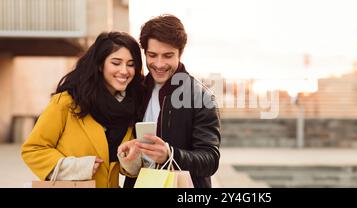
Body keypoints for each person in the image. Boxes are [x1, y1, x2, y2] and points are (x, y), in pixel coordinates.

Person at [21, 31, 144, 188]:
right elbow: (32, 150)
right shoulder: (67, 102)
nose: (124, 71)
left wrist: (131, 161)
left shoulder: (130, 107)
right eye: (116, 62)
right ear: (100, 65)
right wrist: (78, 168)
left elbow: (122, 167)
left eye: (131, 64)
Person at [118, 14, 221, 188]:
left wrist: (170, 155)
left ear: (180, 53)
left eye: (167, 56)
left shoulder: (201, 97)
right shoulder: (135, 90)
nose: (159, 64)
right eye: (152, 55)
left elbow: (210, 160)